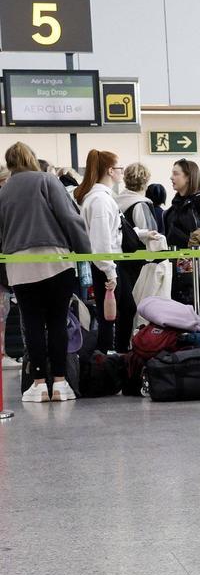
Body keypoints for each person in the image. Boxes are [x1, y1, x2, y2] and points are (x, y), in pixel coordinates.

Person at [0, 143, 91, 402]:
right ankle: (61, 383)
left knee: (32, 324)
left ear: (9, 163)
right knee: (58, 320)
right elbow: (70, 218)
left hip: (20, 265)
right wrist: (85, 252)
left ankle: (39, 384)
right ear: (31, 158)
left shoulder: (4, 191)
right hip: (56, 262)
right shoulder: (47, 181)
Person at [75, 150, 138, 354]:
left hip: (109, 263)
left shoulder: (100, 198)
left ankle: (114, 356)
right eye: (119, 168)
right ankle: (111, 359)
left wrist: (143, 234)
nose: (121, 172)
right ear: (110, 171)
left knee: (119, 312)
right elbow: (101, 242)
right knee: (111, 316)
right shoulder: (100, 200)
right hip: (108, 264)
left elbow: (111, 232)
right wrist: (110, 272)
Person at [163, 159, 200, 249]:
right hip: (177, 259)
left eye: (176, 174)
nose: (171, 177)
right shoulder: (172, 209)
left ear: (188, 177)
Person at [115, 163, 164, 242]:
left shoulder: (116, 201)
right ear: (146, 181)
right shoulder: (141, 204)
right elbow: (149, 236)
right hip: (138, 252)